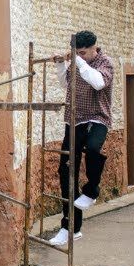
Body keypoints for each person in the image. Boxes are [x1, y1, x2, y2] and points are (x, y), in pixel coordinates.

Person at [48, 30, 115, 245]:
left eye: (84, 52)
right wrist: (61, 65)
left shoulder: (105, 63)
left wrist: (78, 61)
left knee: (94, 149)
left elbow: (98, 83)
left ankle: (92, 190)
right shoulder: (78, 63)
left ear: (95, 48)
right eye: (77, 52)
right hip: (74, 119)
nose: (81, 56)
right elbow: (66, 85)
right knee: (66, 171)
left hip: (97, 119)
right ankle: (70, 228)